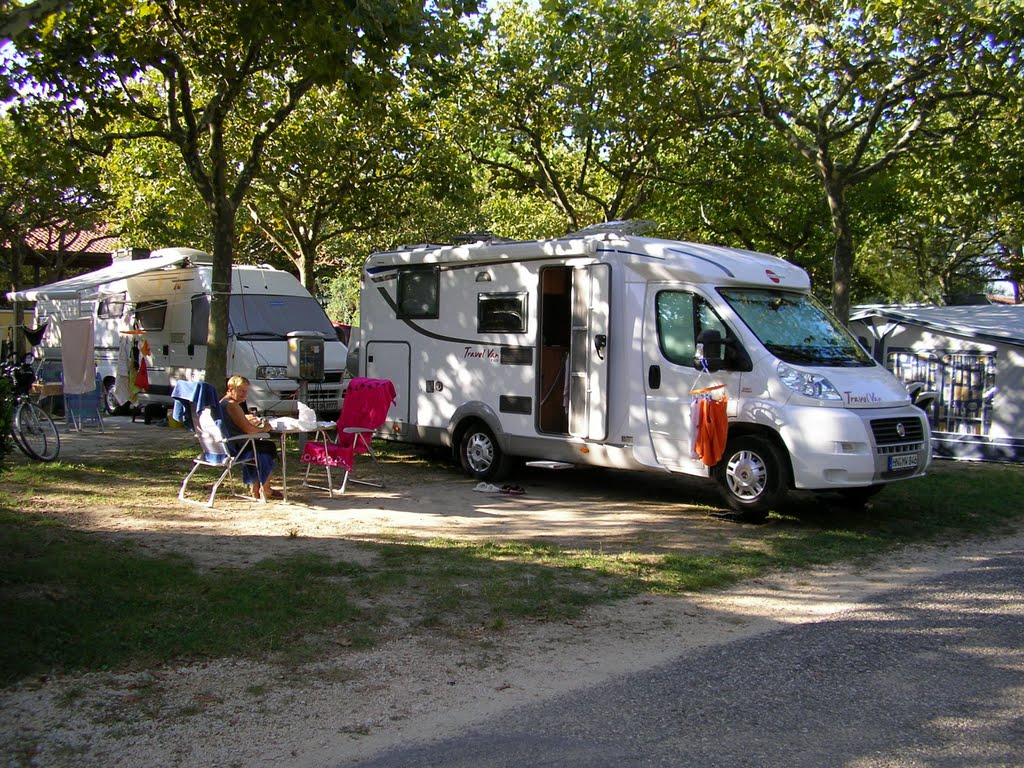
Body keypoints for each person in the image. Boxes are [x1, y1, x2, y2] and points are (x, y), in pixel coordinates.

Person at [220, 375, 281, 500]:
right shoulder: (232, 405)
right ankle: (266, 488)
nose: (244, 394)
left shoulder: (222, 402)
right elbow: (250, 430)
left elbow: (238, 424)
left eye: (246, 391)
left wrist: (247, 419)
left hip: (227, 444)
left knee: (260, 446)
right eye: (241, 391)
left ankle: (255, 489)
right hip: (237, 447)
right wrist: (265, 427)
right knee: (267, 446)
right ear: (231, 389)